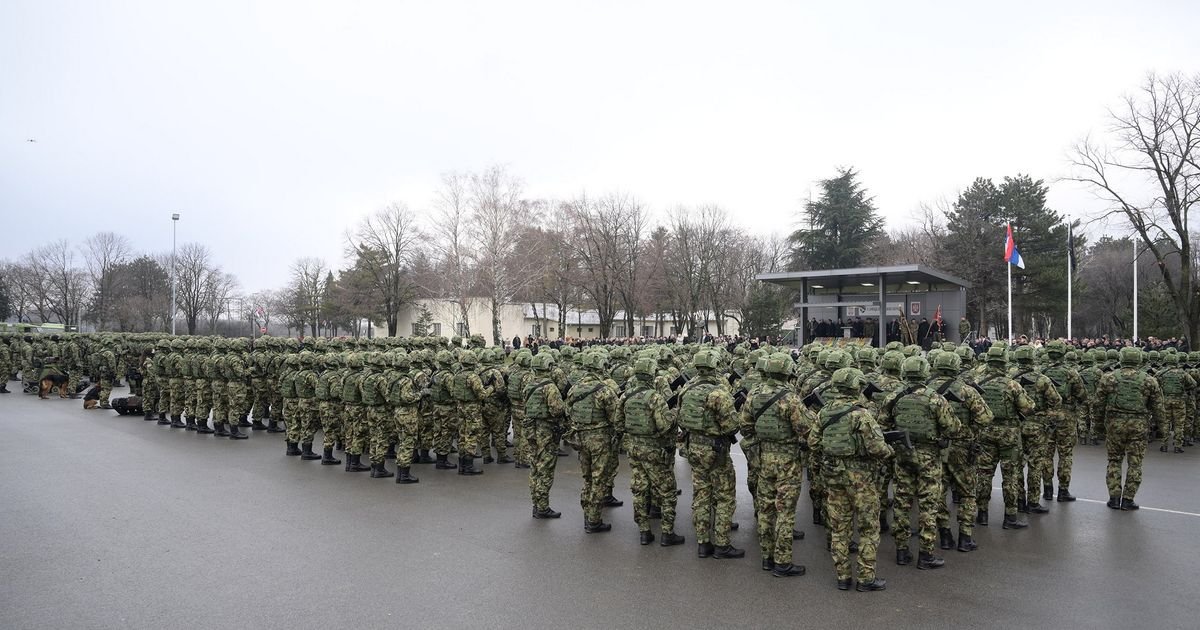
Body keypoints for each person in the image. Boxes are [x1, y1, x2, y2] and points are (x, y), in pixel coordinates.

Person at [811, 367, 893, 591]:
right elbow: (877, 448)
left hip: (833, 476)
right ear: (857, 387)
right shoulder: (862, 414)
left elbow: (813, 443)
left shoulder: (825, 412)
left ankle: (843, 577)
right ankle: (866, 578)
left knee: (839, 528)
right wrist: (889, 451)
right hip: (861, 479)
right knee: (868, 528)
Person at [879, 356, 960, 570]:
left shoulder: (894, 397)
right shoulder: (935, 399)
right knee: (928, 505)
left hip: (903, 455)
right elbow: (953, 428)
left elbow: (882, 425)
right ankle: (926, 554)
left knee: (902, 503)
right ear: (925, 373)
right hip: (929, 458)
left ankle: (902, 551)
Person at [740, 352, 808, 577]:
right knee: (785, 511)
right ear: (788, 371)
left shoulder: (754, 394)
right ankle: (783, 561)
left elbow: (745, 426)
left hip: (763, 458)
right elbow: (804, 429)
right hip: (787, 460)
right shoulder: (791, 398)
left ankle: (767, 557)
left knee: (766, 508)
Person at [678, 349, 743, 559]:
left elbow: (680, 418)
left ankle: (703, 543)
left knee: (701, 495)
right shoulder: (718, 393)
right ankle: (722, 545)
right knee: (724, 496)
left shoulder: (686, 389)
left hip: (694, 449)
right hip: (716, 451)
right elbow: (732, 426)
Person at [616, 357, 684, 546]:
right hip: (654, 450)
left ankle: (644, 531)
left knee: (639, 489)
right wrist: (674, 413)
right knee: (667, 491)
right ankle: (667, 533)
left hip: (634, 449)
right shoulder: (655, 397)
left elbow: (618, 424)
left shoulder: (626, 396)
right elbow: (663, 426)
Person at [928, 351, 992, 552]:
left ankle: (945, 534)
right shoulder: (967, 391)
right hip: (963, 448)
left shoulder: (927, 389)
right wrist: (968, 431)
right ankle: (965, 536)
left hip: (936, 448)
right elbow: (985, 418)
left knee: (939, 492)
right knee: (967, 492)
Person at [1096, 347, 1164, 510]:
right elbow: (1158, 407)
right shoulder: (1149, 380)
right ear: (1138, 360)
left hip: (1115, 425)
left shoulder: (1108, 378)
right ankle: (1128, 499)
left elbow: (1098, 404)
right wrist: (1162, 429)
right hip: (1138, 426)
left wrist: (1099, 426)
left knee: (1114, 461)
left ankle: (1113, 498)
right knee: (1135, 464)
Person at [975, 346, 1035, 529]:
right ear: (1004, 362)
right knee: (1010, 476)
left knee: (984, 474)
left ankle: (982, 514)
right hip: (1008, 434)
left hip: (985, 432)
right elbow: (1028, 408)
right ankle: (1010, 517)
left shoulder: (978, 382)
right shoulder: (1012, 384)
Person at [565, 351, 620, 533]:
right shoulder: (604, 390)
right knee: (599, 479)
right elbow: (616, 418)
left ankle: (586, 513)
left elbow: (568, 411)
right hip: (599, 440)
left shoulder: (575, 388)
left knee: (587, 477)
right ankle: (594, 520)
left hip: (580, 439)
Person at [524, 353, 567, 518]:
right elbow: (557, 410)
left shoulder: (529, 385)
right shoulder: (550, 387)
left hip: (530, 429)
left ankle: (536, 504)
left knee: (534, 467)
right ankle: (543, 507)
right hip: (546, 431)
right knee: (545, 469)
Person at [1154, 352, 1195, 453]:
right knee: (1179, 424)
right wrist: (1185, 388)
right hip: (1179, 401)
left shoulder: (1160, 373)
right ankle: (1178, 446)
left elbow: (1154, 385)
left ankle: (1164, 445)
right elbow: (1193, 384)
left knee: (1165, 423)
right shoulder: (1182, 373)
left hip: (1165, 401)